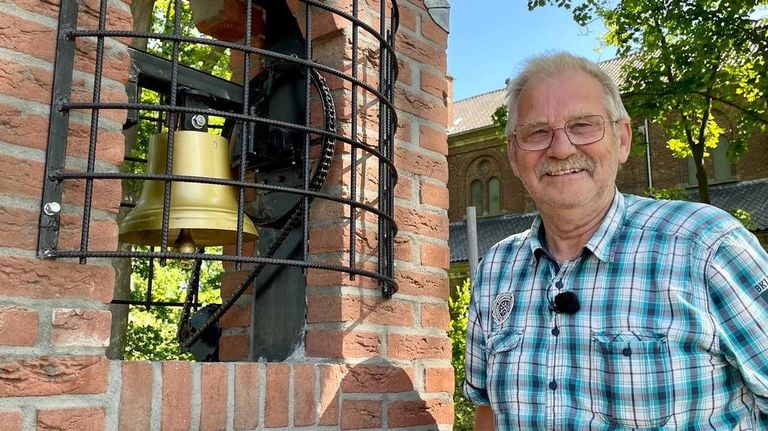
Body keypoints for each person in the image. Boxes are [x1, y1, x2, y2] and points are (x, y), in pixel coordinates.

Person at [463, 51, 768, 430]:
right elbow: (488, 409)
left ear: (622, 140)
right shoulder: (495, 269)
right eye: (537, 132)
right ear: (512, 155)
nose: (560, 149)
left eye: (583, 125)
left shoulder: (706, 246)